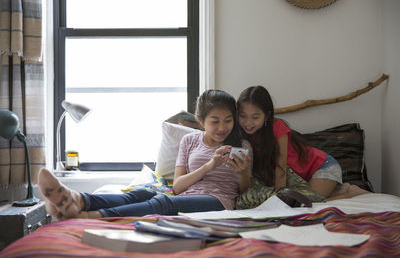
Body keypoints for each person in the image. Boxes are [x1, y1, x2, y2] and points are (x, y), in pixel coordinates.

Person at [39, 89, 252, 220]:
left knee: (163, 203)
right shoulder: (189, 140)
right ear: (201, 121)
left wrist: (243, 173)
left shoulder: (241, 145)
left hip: (218, 201)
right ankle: (78, 199)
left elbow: (242, 189)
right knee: (140, 194)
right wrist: (209, 166)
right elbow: (177, 186)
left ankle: (83, 216)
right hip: (185, 194)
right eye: (215, 121)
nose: (222, 127)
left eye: (228, 120)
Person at [236, 85, 369, 201]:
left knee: (302, 203)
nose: (248, 123)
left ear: (267, 115)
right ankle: (341, 190)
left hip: (323, 167)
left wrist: (278, 201)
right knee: (297, 200)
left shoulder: (277, 128)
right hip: (302, 182)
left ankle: (350, 193)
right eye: (242, 116)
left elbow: (280, 169)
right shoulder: (241, 134)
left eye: (255, 117)